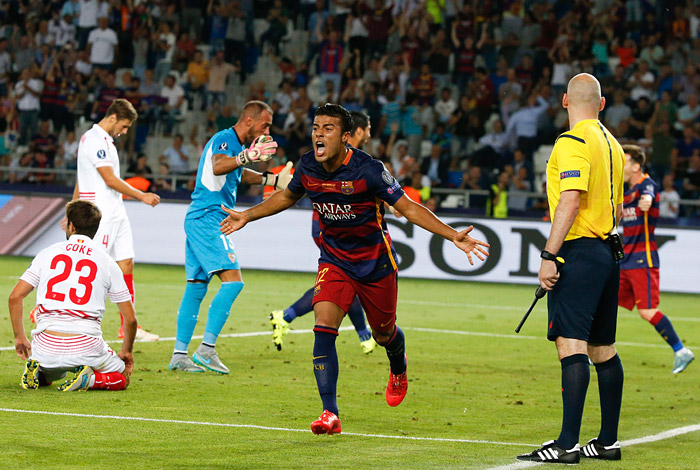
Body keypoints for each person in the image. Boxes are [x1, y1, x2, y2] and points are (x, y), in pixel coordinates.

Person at [219, 104, 489, 435]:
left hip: (376, 265)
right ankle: (329, 413)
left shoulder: (369, 170)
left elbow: (408, 208)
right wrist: (248, 215)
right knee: (323, 326)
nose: (318, 134)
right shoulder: (308, 165)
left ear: (346, 137)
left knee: (383, 334)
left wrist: (451, 235)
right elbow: (287, 197)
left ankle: (398, 365)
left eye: (328, 128)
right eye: (316, 128)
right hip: (335, 261)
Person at [518, 74, 626, 464]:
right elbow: (614, 206)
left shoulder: (571, 141)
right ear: (602, 103)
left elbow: (571, 199)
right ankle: (607, 442)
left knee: (571, 344)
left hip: (579, 252)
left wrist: (549, 254)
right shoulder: (614, 145)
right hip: (609, 252)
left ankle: (566, 445)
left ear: (565, 101)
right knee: (603, 348)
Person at [169, 101, 292, 374]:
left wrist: (271, 180)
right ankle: (206, 350)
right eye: (265, 125)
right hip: (210, 217)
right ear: (249, 120)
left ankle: (179, 355)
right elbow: (218, 166)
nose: (267, 131)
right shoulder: (225, 139)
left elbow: (236, 172)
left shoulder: (235, 145)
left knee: (196, 286)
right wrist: (246, 156)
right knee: (233, 282)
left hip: (201, 216)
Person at [269, 110, 378, 354]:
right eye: (368, 129)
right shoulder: (340, 153)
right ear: (358, 131)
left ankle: (362, 335)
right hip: (328, 224)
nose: (370, 135)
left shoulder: (353, 158)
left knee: (342, 282)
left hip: (330, 223)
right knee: (344, 280)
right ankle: (288, 316)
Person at [10, 200, 137, 392]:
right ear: (95, 229)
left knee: (54, 370)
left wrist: (20, 337)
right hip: (85, 344)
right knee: (122, 377)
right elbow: (131, 319)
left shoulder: (47, 253)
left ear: (71, 226)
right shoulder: (107, 262)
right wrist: (126, 351)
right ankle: (90, 380)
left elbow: (15, 297)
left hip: (44, 346)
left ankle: (40, 372)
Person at [73, 98, 161, 341]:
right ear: (113, 117)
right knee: (89, 267)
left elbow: (82, 177)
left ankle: (129, 327)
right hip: (100, 213)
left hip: (116, 212)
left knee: (126, 264)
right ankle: (61, 314)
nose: (124, 132)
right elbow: (109, 179)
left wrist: (71, 206)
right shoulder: (93, 140)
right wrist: (141, 195)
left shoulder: (106, 142)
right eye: (123, 126)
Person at [619, 145, 694, 373]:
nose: (620, 165)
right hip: (625, 260)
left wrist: (647, 201)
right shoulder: (625, 192)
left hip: (643, 259)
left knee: (647, 311)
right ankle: (593, 350)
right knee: (603, 302)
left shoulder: (646, 184)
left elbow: (650, 193)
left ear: (636, 166)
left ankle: (681, 351)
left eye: (624, 161)